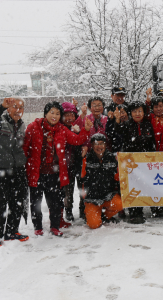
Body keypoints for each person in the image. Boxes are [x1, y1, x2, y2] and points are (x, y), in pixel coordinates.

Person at [24, 101, 93, 236]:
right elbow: (25, 148)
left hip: (54, 173)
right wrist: (25, 167)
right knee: (35, 202)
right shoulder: (33, 127)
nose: (54, 116)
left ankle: (55, 226)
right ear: (45, 113)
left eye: (57, 113)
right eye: (52, 112)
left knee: (55, 202)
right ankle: (37, 227)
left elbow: (77, 140)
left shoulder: (62, 129)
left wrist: (86, 130)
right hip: (36, 173)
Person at [113, 101, 156, 224]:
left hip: (146, 162)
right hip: (131, 164)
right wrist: (116, 120)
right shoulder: (126, 125)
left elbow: (152, 141)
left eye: (140, 111)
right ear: (130, 113)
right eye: (134, 111)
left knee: (145, 185)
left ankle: (152, 208)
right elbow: (116, 132)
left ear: (144, 112)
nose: (137, 114)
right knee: (133, 188)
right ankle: (134, 212)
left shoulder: (148, 124)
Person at [0, 97, 29, 244]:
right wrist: (1, 106)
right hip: (2, 169)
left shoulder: (23, 125)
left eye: (21, 107)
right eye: (14, 106)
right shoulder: (2, 121)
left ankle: (11, 232)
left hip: (18, 169)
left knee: (18, 201)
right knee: (1, 203)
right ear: (8, 108)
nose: (18, 110)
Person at [81, 134, 123, 229]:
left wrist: (120, 162)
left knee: (120, 204)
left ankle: (104, 217)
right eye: (96, 144)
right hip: (92, 197)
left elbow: (117, 178)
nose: (99, 146)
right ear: (92, 145)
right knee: (94, 225)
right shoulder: (87, 158)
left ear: (105, 145)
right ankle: (91, 214)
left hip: (108, 195)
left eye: (101, 143)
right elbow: (81, 176)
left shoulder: (112, 158)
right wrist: (81, 159)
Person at [61, 102, 84, 221]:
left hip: (79, 162)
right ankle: (68, 210)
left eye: (72, 115)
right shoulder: (60, 128)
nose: (70, 118)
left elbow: (84, 140)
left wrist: (78, 132)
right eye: (67, 115)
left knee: (82, 187)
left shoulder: (78, 126)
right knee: (68, 189)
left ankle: (83, 209)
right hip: (66, 164)